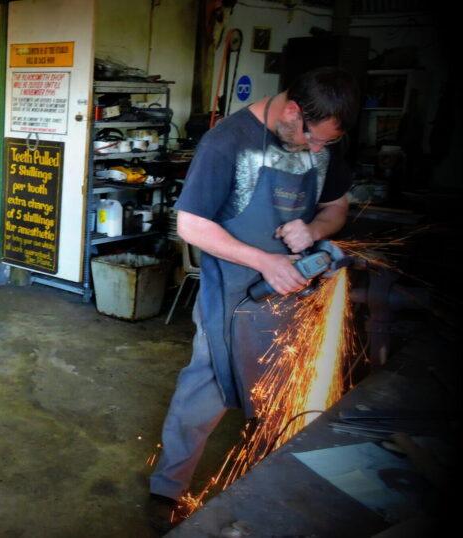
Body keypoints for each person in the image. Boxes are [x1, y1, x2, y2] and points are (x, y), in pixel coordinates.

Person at [147, 67, 359, 531]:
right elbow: (192, 226)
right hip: (233, 292)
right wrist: (266, 261)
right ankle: (167, 489)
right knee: (210, 385)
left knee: (287, 389)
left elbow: (338, 205)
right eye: (313, 139)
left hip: (294, 293)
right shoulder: (228, 144)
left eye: (327, 144)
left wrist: (316, 229)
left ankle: (275, 485)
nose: (319, 150)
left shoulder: (323, 141)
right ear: (291, 112)